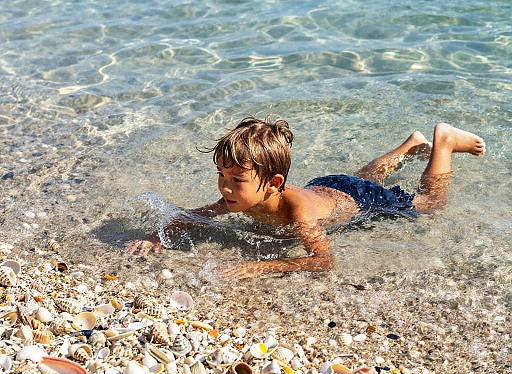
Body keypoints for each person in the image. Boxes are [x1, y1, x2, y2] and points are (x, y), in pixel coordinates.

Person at [126, 117, 485, 278]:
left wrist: (258, 268)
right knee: (363, 176)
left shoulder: (297, 211)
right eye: (221, 176)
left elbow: (322, 260)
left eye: (236, 179)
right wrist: (155, 238)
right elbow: (191, 216)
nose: (224, 188)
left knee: (429, 205)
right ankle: (409, 146)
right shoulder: (240, 198)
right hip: (331, 186)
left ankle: (445, 143)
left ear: (273, 182)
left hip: (358, 199)